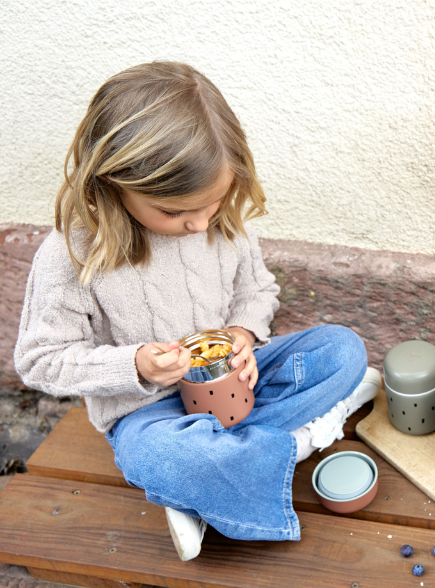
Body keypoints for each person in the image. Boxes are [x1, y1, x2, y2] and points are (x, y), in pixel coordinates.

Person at [14, 61, 381, 562]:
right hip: (150, 414)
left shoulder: (221, 220)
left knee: (342, 349)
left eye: (212, 204)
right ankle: (291, 446)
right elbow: (39, 359)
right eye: (176, 212)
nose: (199, 223)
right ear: (112, 182)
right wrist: (138, 364)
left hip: (238, 386)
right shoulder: (73, 252)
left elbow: (257, 292)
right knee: (164, 457)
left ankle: (219, 477)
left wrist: (243, 336)